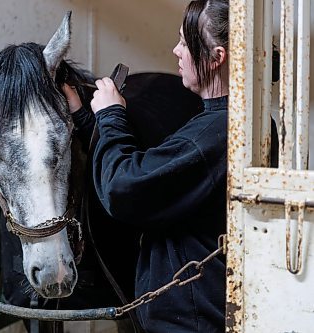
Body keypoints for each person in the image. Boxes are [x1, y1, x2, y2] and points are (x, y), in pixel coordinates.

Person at [62, 0, 229, 332]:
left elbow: (124, 187)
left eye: (185, 42)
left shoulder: (213, 134)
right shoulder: (232, 124)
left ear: (216, 58)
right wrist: (85, 119)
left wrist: (110, 115)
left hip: (190, 323)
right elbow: (160, 175)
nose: (176, 50)